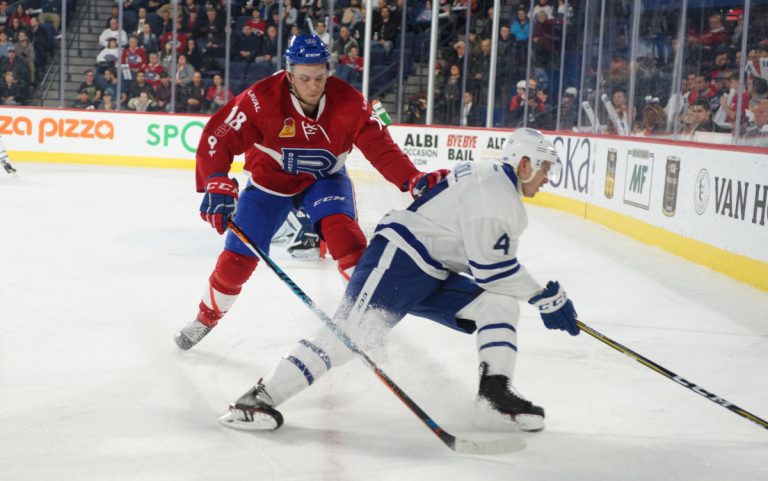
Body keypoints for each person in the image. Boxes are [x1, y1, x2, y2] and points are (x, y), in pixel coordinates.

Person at [218, 128, 579, 433]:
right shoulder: (497, 195)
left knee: (497, 304)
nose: (547, 177)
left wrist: (539, 296)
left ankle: (495, 397)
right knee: (350, 334)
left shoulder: (491, 180)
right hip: (399, 260)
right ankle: (256, 401)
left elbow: (482, 260)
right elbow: (492, 270)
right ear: (525, 163)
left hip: (433, 270)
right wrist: (545, 297)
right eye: (545, 167)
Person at [174, 34, 433, 350]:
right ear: (288, 73)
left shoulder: (351, 102)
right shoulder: (260, 99)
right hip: (269, 184)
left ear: (329, 71)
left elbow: (382, 148)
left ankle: (369, 322)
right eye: (304, 78)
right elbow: (220, 134)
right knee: (236, 260)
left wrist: (412, 179)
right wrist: (216, 180)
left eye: (320, 77)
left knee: (348, 241)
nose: (313, 85)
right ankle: (205, 318)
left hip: (325, 179)